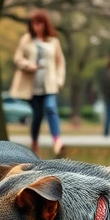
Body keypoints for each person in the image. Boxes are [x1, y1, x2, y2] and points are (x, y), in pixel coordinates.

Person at [10, 9, 66, 156]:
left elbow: (60, 63)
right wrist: (29, 65)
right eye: (34, 23)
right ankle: (34, 142)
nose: (37, 26)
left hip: (50, 85)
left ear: (45, 24)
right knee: (38, 115)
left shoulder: (54, 42)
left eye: (40, 23)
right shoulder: (26, 40)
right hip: (32, 88)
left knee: (51, 108)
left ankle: (57, 141)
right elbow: (17, 58)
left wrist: (59, 81)